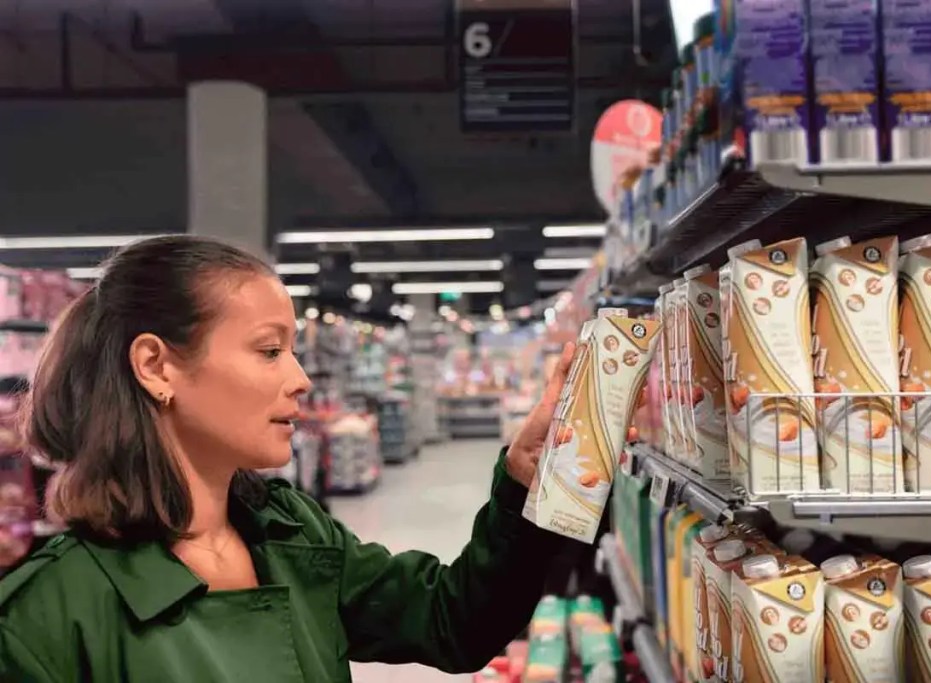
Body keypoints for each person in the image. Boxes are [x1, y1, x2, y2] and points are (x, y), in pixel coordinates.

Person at [0, 235, 574, 682]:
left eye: (293, 351)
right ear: (156, 366)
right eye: (270, 351)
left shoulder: (292, 533)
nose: (300, 380)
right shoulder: (44, 618)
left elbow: (454, 623)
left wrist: (525, 479)